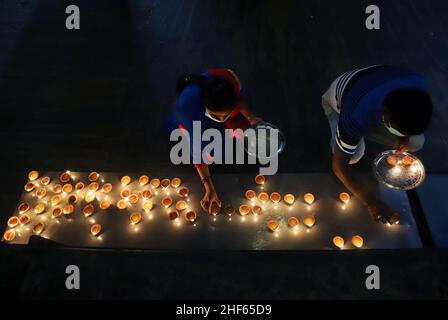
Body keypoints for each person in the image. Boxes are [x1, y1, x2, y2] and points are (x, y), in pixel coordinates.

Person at [322, 65, 433, 224]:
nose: (403, 135)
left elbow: (411, 125)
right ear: (384, 116)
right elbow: (339, 165)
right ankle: (345, 136)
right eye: (400, 131)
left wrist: (406, 137)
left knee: (416, 142)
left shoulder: (417, 87)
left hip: (372, 88)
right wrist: (371, 201)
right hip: (338, 99)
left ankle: (358, 136)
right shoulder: (355, 114)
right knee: (353, 155)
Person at [167, 69, 264, 214]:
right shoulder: (190, 111)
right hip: (188, 117)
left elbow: (239, 99)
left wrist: (250, 118)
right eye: (216, 116)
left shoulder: (229, 79)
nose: (221, 121)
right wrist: (209, 188)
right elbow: (198, 155)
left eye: (224, 117)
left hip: (216, 106)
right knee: (213, 153)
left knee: (244, 129)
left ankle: (225, 117)